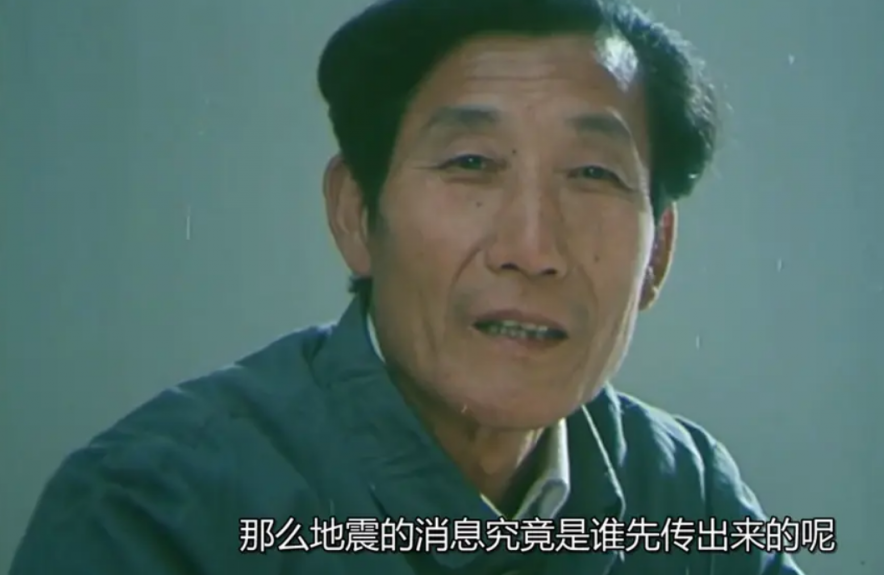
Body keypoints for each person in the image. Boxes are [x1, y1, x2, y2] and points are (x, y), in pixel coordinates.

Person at [11, 0, 813, 573]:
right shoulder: (157, 509)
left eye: (594, 174)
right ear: (357, 214)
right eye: (472, 163)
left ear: (658, 253)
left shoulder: (686, 496)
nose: (533, 249)